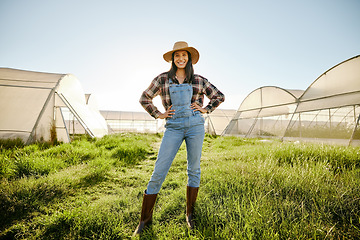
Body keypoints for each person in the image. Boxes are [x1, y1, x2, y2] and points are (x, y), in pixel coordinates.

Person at [133, 41, 225, 235]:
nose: (181, 59)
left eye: (184, 55)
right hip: (173, 127)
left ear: (189, 59)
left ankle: (190, 214)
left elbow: (219, 96)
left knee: (194, 169)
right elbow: (144, 98)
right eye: (177, 56)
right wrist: (159, 114)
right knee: (159, 169)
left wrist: (206, 109)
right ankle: (144, 220)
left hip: (195, 127)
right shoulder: (162, 79)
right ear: (173, 59)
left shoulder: (199, 80)